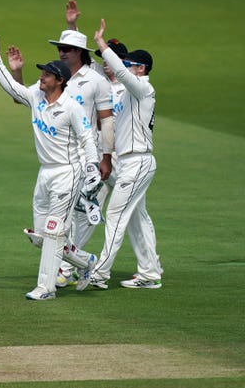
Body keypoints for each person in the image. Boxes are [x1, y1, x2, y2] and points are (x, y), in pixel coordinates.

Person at [9, 0, 115, 288]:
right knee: (51, 228)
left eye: (66, 49)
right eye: (59, 48)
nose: (60, 52)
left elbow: (106, 121)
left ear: (78, 53)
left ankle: (60, 273)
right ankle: (81, 262)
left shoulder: (96, 80)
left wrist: (105, 159)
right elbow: (24, 98)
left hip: (83, 157)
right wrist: (16, 72)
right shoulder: (56, 77)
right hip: (59, 157)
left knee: (74, 220)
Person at [0, 29, 100, 300]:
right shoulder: (36, 97)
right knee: (42, 236)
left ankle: (45, 288)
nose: (41, 77)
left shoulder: (72, 107)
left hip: (68, 172)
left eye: (46, 75)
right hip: (45, 172)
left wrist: (92, 168)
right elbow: (12, 89)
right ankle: (86, 263)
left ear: (59, 81)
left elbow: (87, 137)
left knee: (52, 232)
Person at [91, 19, 162, 289]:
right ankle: (150, 273)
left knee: (115, 215)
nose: (127, 68)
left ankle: (99, 274)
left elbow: (120, 73)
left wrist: (101, 44)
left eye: (130, 65)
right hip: (130, 161)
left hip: (138, 160)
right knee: (135, 217)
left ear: (141, 69)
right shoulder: (125, 94)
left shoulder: (144, 88)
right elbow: (96, 70)